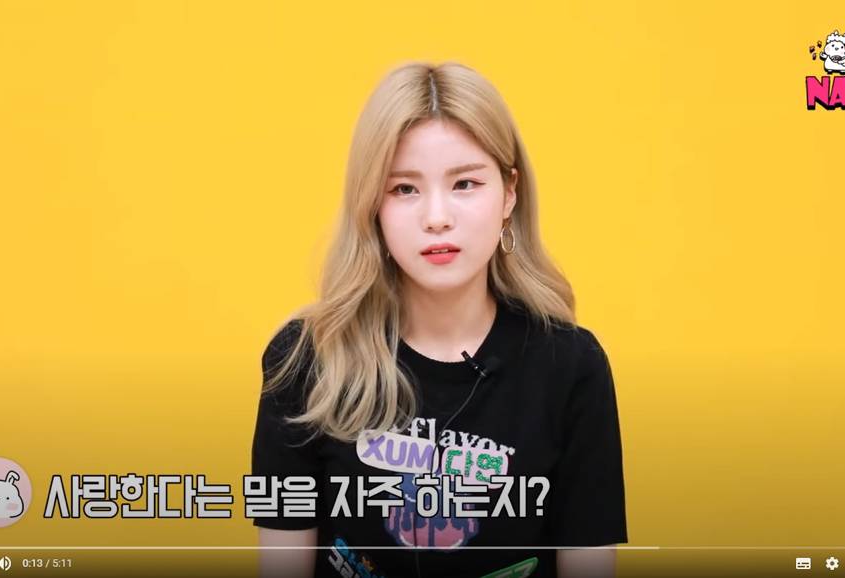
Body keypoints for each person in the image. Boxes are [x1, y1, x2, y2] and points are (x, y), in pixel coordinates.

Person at [251, 61, 627, 578]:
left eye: (465, 183)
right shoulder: (304, 361)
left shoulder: (571, 367)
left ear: (509, 193)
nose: (436, 217)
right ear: (372, 205)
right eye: (404, 189)